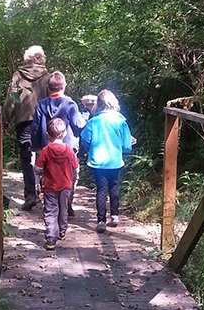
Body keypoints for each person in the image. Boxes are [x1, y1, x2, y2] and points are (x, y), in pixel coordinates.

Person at [2, 45, 50, 211]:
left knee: (26, 157)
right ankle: (47, 194)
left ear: (27, 58)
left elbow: (12, 99)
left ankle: (30, 194)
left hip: (24, 122)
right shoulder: (48, 77)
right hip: (44, 123)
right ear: (41, 58)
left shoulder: (18, 76)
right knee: (45, 156)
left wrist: (5, 120)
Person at [31, 71, 86, 216]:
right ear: (64, 86)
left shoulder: (41, 105)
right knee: (71, 175)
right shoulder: (70, 104)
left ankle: (51, 204)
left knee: (48, 175)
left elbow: (36, 127)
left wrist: (35, 145)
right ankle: (67, 203)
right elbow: (78, 124)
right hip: (68, 148)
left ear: (48, 88)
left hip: (47, 147)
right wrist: (85, 114)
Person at [80, 89, 133, 233]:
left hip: (98, 161)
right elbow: (127, 144)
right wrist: (123, 148)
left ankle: (101, 220)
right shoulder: (121, 121)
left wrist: (90, 148)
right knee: (114, 187)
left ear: (99, 103)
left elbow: (85, 138)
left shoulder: (93, 121)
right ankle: (115, 216)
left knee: (101, 190)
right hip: (115, 161)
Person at [34, 118, 79, 250]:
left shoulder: (46, 150)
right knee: (63, 208)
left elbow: (37, 169)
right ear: (64, 134)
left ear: (47, 135)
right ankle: (62, 231)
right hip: (66, 185)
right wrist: (73, 178)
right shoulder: (69, 150)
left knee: (50, 211)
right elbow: (75, 168)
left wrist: (42, 173)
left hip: (50, 186)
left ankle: (50, 238)